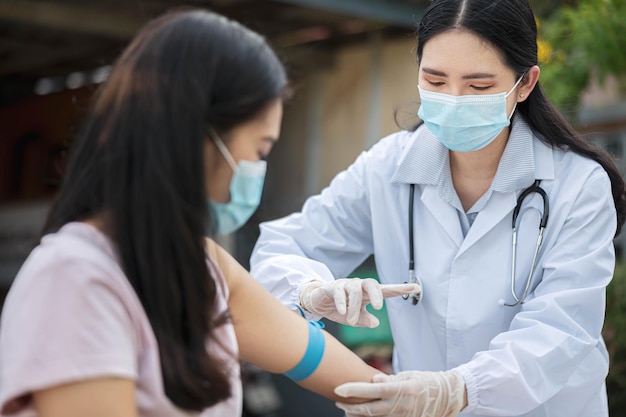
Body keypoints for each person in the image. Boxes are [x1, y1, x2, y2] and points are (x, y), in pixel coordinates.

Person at [0, 9, 420, 417]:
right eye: (260, 151)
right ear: (195, 139)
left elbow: (318, 361)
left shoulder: (200, 266)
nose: (258, 170)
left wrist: (428, 399)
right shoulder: (76, 277)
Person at [250, 0, 626, 416]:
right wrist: (309, 290)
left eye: (478, 87)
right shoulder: (388, 167)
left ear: (525, 83)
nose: (454, 100)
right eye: (435, 80)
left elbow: (563, 329)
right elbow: (284, 247)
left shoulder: (578, 185)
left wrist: (460, 388)